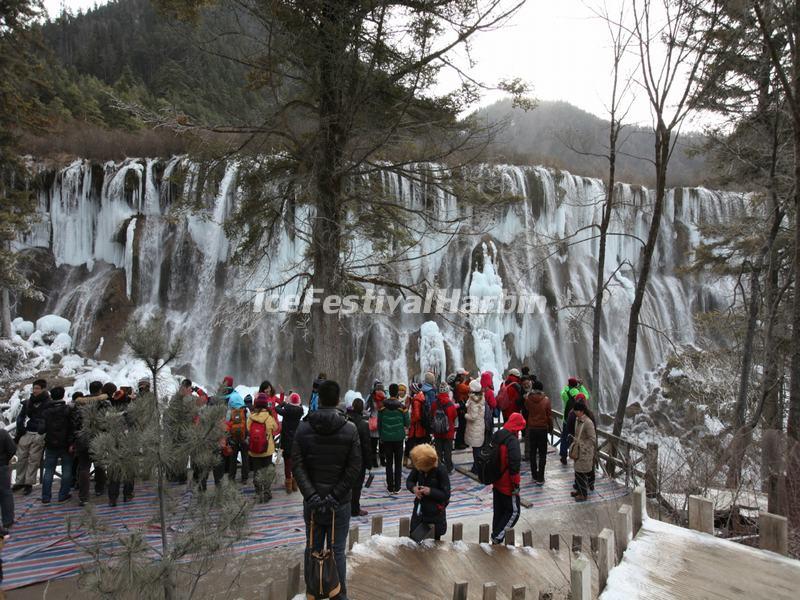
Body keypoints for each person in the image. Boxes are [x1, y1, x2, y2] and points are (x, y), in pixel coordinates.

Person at [292, 379, 361, 600]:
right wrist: (335, 496)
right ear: (338, 399)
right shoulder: (349, 429)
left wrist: (311, 495)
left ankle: (313, 592)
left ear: (319, 399)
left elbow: (297, 464)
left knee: (311, 547)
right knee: (337, 550)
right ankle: (339, 596)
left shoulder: (303, 427)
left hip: (312, 504)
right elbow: (354, 467)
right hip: (339, 504)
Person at [491, 412, 525, 544]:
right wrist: (516, 485)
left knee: (499, 511)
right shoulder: (512, 441)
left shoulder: (497, 435)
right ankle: (497, 537)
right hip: (507, 484)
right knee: (513, 512)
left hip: (496, 480)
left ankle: (495, 535)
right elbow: (514, 465)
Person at [74, 381, 111, 503]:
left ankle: (83, 496)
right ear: (100, 390)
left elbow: (74, 421)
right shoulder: (104, 403)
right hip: (98, 436)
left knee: (84, 467)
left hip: (82, 437)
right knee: (99, 464)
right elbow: (108, 419)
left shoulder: (79, 404)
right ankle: (100, 488)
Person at [406, 443, 451, 541]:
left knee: (433, 545)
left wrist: (430, 491)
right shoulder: (419, 466)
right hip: (420, 511)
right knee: (415, 540)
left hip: (435, 512)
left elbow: (446, 494)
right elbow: (409, 481)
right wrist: (414, 489)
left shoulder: (441, 470)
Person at [13, 379, 50, 495]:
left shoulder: (48, 402)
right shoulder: (28, 402)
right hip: (27, 431)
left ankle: (29, 483)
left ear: (43, 389)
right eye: (34, 388)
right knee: (21, 457)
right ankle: (19, 481)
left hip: (40, 433)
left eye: (37, 388)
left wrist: (43, 430)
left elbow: (49, 418)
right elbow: (21, 416)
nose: (35, 390)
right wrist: (20, 426)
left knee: (33, 459)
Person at [40, 387, 75, 504]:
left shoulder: (46, 412)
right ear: (63, 395)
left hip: (50, 444)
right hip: (66, 444)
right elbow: (73, 427)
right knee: (67, 469)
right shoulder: (68, 410)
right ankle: (63, 495)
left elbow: (41, 429)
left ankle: (46, 497)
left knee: (49, 470)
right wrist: (71, 442)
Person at [378, 384, 409, 494]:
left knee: (389, 462)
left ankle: (390, 487)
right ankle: (398, 487)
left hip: (386, 439)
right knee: (398, 463)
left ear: (389, 392)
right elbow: (407, 423)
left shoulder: (382, 407)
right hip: (399, 438)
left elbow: (379, 424)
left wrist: (381, 436)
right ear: (397, 393)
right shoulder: (402, 407)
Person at [247, 394, 279, 503]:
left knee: (257, 472)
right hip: (267, 450)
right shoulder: (269, 417)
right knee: (266, 471)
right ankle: (266, 492)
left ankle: (257, 491)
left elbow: (247, 429)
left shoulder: (251, 417)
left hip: (254, 450)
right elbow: (275, 427)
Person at [107, 387, 135, 506]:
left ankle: (113, 498)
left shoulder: (108, 413)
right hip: (127, 443)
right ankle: (127, 494)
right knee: (128, 469)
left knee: (114, 471)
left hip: (113, 445)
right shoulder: (128, 413)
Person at [524, 380, 553, 485]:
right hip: (542, 429)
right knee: (542, 454)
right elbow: (549, 415)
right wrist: (551, 427)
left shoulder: (528, 399)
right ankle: (540, 478)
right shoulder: (546, 400)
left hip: (532, 428)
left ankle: (534, 475)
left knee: (532, 452)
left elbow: (527, 409)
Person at [347, 397, 372, 517]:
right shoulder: (363, 424)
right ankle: (355, 509)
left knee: (347, 483)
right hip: (359, 459)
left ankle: (346, 507)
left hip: (347, 458)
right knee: (357, 486)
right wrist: (369, 463)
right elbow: (366, 445)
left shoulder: (346, 421)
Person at [222, 377, 249, 483]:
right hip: (243, 430)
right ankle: (245, 477)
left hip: (233, 431)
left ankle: (231, 477)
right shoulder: (237, 395)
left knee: (233, 455)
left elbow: (228, 417)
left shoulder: (227, 397)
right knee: (244, 455)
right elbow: (247, 414)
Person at [276, 392, 304, 493]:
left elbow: (276, 409)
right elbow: (299, 405)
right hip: (296, 441)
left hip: (286, 440)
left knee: (287, 463)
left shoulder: (286, 411)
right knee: (295, 464)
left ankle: (288, 485)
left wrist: (283, 403)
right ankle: (295, 484)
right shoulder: (300, 411)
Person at [559, 376, 590, 465]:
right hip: (577, 420)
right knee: (576, 438)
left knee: (564, 437)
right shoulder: (578, 394)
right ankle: (575, 456)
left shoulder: (564, 392)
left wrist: (568, 386)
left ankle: (563, 456)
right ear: (576, 385)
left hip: (566, 419)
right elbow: (586, 396)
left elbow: (564, 390)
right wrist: (581, 387)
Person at [570, 401, 596, 502]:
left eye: (576, 411)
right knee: (577, 471)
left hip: (585, 452)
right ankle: (579, 491)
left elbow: (592, 439)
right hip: (578, 450)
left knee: (582, 473)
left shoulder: (588, 422)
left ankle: (583, 494)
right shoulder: (578, 420)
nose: (574, 412)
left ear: (581, 411)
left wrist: (584, 447)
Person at [430, 382, 458, 473]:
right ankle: (449, 468)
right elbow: (454, 416)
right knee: (447, 451)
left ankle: (438, 468)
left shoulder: (435, 403)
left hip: (437, 431)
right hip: (448, 431)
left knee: (438, 451)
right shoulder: (450, 404)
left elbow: (431, 415)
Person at [404, 383, 428, 468]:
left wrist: (410, 421)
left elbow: (417, 416)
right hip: (420, 427)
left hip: (416, 428)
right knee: (417, 444)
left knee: (412, 444)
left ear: (414, 390)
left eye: (411, 389)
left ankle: (414, 463)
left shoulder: (416, 400)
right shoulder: (421, 397)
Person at [464, 379, 486, 472]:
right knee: (477, 448)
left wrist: (465, 415)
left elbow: (473, 416)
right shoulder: (480, 397)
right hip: (479, 426)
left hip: (475, 428)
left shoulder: (474, 401)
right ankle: (477, 467)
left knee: (476, 449)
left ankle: (477, 468)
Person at [365, 382, 385, 468]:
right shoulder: (385, 397)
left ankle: (374, 462)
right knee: (382, 443)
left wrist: (369, 415)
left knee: (373, 444)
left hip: (373, 421)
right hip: (382, 421)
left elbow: (365, 408)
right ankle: (383, 461)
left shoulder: (371, 397)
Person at [0, 427, 15, 528]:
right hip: (2, 467)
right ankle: (8, 521)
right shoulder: (3, 433)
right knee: (6, 494)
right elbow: (12, 449)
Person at [453, 373, 470, 450]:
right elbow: (468, 389)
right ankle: (459, 443)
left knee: (462, 426)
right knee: (462, 426)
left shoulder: (459, 385)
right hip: (462, 408)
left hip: (461, 407)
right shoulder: (460, 386)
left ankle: (461, 442)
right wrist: (470, 382)